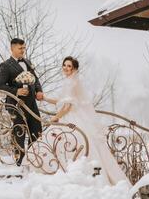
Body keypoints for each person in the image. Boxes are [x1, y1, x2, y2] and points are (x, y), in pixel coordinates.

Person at [43, 56, 130, 186]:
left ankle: (83, 176)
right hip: (69, 116)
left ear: (74, 69)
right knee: (68, 143)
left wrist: (56, 117)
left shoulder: (72, 83)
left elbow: (68, 107)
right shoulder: (69, 81)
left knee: (77, 143)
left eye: (69, 66)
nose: (66, 68)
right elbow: (62, 101)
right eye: (64, 65)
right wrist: (44, 98)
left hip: (72, 118)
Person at [0, 38, 43, 166]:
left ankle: (33, 158)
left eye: (24, 48)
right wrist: (16, 91)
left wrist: (39, 90)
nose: (23, 50)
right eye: (20, 48)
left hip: (32, 103)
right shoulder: (5, 65)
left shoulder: (27, 62)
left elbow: (36, 79)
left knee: (37, 130)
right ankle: (19, 161)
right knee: (19, 132)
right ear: (12, 49)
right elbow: (0, 86)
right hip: (16, 104)